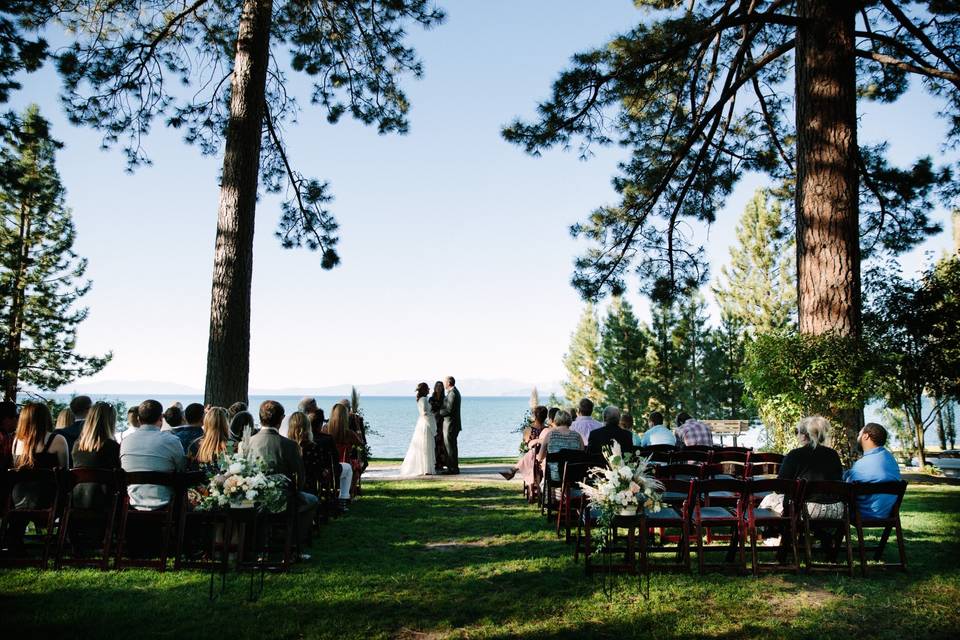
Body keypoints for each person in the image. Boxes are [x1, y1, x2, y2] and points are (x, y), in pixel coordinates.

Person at [247, 401, 317, 538]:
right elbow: (300, 478)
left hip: (252, 500)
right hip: (283, 501)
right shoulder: (290, 445)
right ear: (281, 419)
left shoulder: (246, 443)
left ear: (260, 417)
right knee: (313, 500)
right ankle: (294, 541)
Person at [764, 416, 844, 519]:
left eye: (797, 432)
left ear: (804, 436)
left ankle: (775, 534)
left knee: (768, 500)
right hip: (836, 510)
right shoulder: (833, 455)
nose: (796, 435)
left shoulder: (795, 455)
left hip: (808, 510)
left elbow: (780, 487)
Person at [119, 399, 186, 510]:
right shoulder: (172, 441)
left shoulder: (126, 441)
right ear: (161, 418)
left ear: (139, 419)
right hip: (166, 504)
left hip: (132, 503)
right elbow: (181, 468)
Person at [11, 403, 69, 508]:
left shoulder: (16, 441)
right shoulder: (57, 440)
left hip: (18, 497)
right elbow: (64, 472)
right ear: (46, 418)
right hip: (47, 499)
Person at [845, 422, 902, 519]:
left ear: (866, 436)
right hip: (888, 514)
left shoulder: (862, 465)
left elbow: (845, 484)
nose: (858, 437)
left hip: (862, 513)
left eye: (859, 434)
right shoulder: (891, 460)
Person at [71, 402, 122, 509]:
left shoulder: (77, 446)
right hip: (105, 504)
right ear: (110, 422)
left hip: (78, 501)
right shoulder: (113, 447)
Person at [310, 408, 351, 507]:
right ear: (320, 424)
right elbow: (335, 458)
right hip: (327, 473)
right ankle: (343, 499)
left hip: (309, 473)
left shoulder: (305, 439)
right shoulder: (327, 438)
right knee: (348, 468)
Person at [500, 405, 549, 482]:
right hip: (545, 456)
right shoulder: (548, 430)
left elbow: (526, 445)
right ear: (546, 416)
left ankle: (513, 470)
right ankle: (513, 470)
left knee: (527, 453)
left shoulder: (528, 429)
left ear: (534, 416)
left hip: (533, 457)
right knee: (529, 453)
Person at [399, 383, 438, 477]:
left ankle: (424, 468)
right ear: (424, 390)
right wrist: (433, 415)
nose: (429, 390)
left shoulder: (420, 399)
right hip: (425, 424)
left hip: (421, 423)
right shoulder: (424, 399)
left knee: (424, 445)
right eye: (427, 388)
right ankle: (426, 469)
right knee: (426, 445)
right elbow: (424, 413)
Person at [537, 410, 584, 484]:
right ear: (569, 420)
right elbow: (582, 457)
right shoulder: (577, 436)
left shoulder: (550, 435)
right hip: (574, 477)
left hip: (554, 477)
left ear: (555, 420)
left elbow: (540, 457)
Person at [327, 403, 363, 497]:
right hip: (343, 466)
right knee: (357, 465)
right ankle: (349, 493)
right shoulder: (349, 434)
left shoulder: (325, 430)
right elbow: (361, 443)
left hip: (327, 468)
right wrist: (358, 426)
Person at [187, 406, 232, 474]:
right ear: (225, 424)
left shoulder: (195, 445)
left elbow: (190, 470)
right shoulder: (232, 445)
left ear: (206, 423)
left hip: (199, 483)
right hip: (228, 483)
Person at [287, 410, 324, 492]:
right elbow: (319, 471)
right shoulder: (313, 447)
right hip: (309, 488)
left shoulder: (286, 446)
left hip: (290, 488)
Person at [437, 376, 462, 474]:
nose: (444, 384)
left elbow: (449, 410)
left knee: (450, 447)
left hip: (451, 424)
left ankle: (452, 468)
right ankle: (452, 467)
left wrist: (438, 412)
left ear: (448, 383)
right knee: (451, 446)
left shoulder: (452, 393)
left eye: (444, 382)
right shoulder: (454, 392)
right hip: (452, 424)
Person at [429, 381, 447, 473]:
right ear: (435, 387)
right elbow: (431, 410)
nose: (439, 387)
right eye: (437, 386)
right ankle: (434, 463)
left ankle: (442, 463)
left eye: (441, 386)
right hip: (434, 422)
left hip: (443, 423)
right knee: (435, 443)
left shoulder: (445, 398)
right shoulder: (431, 399)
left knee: (442, 444)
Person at [0, 400, 18, 470]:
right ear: (6, 419)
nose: (18, 419)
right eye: (16, 416)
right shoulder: (4, 437)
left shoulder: (9, 435)